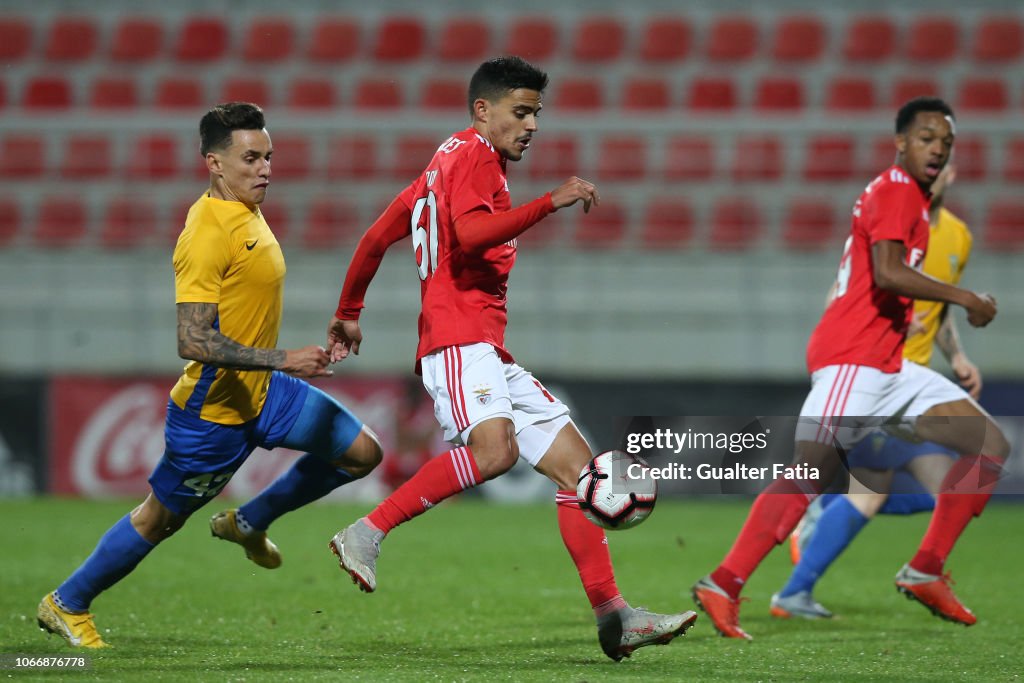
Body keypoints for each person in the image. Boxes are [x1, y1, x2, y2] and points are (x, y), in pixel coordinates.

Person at [324, 56, 696, 661]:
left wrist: (349, 311)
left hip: (486, 349)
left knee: (584, 475)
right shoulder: (471, 156)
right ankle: (367, 530)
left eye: (536, 115)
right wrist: (553, 200)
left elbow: (374, 238)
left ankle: (616, 616)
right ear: (483, 110)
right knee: (495, 453)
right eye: (521, 113)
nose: (532, 126)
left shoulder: (443, 165)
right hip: (456, 341)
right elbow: (472, 236)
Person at [37, 102, 383, 648]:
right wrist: (283, 358)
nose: (265, 168)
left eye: (268, 156)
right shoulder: (205, 233)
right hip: (214, 412)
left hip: (265, 394)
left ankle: (249, 522)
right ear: (214, 164)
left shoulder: (247, 208)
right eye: (250, 158)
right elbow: (192, 340)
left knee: (362, 453)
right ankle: (66, 602)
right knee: (159, 521)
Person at [691, 97, 1008, 639]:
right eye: (928, 138)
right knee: (810, 473)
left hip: (891, 366)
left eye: (947, 142)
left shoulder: (918, 207)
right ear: (901, 143)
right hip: (853, 360)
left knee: (989, 445)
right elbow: (886, 274)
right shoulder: (893, 192)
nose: (938, 148)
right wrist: (966, 298)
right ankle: (724, 582)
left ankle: (926, 568)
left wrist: (950, 347)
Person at [772, 163, 983, 619]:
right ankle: (797, 581)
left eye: (947, 160)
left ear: (953, 172)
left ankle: (812, 538)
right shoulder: (891, 212)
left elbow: (939, 306)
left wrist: (958, 356)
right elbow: (843, 295)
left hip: (916, 383)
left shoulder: (958, 236)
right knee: (889, 490)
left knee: (919, 490)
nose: (940, 169)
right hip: (877, 376)